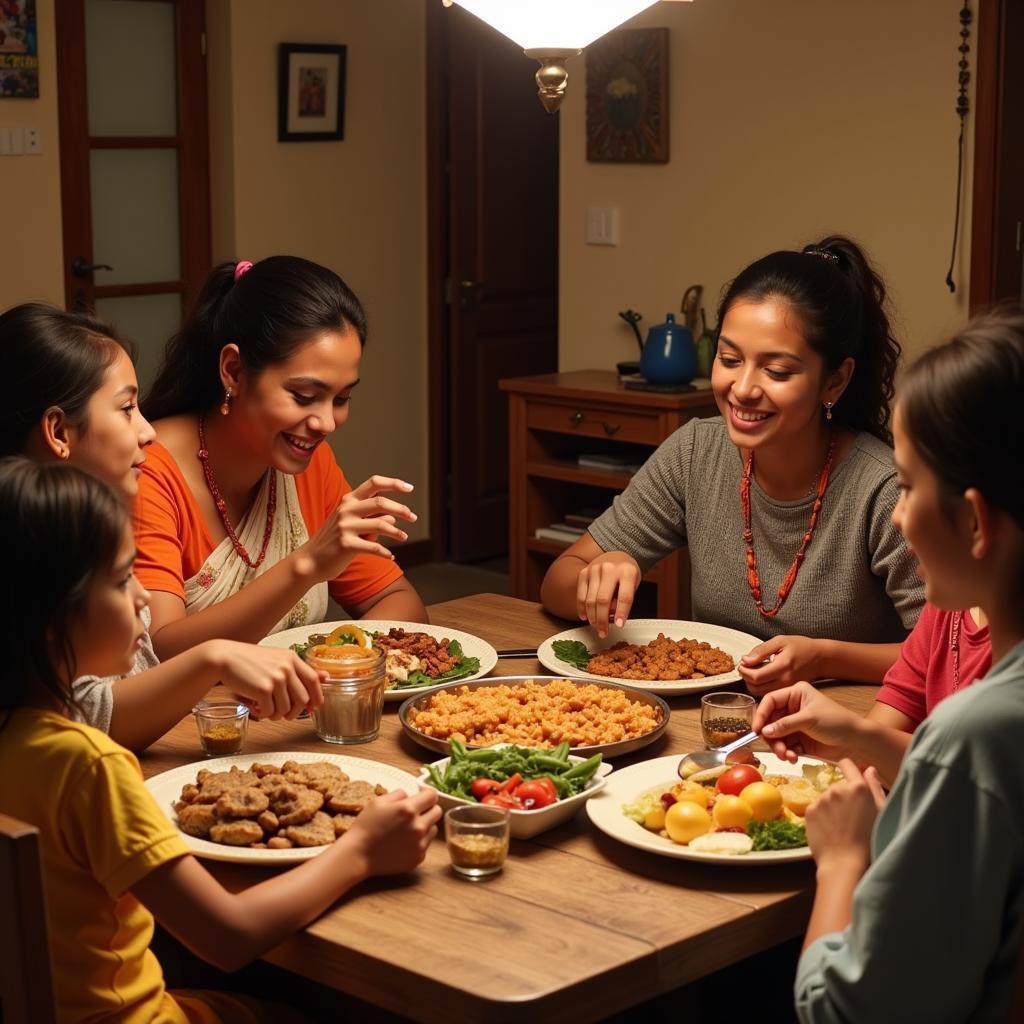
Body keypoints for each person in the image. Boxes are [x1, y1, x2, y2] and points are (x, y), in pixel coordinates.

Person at [0, 457, 441, 1023]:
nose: (143, 596)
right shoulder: (89, 767)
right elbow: (227, 937)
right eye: (119, 579)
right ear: (49, 622)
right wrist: (362, 852)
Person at [758, 309, 1024, 1021]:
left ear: (973, 521)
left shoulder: (977, 733)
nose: (898, 516)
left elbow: (848, 1011)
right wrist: (854, 732)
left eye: (907, 486)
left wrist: (844, 859)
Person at [540, 235, 923, 692]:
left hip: (844, 727)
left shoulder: (884, 489)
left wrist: (825, 657)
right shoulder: (696, 452)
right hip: (716, 718)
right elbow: (556, 583)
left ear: (835, 381)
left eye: (777, 371)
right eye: (729, 359)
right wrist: (601, 573)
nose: (743, 388)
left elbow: (956, 653)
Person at [0, 302, 324, 750]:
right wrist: (214, 658)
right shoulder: (31, 547)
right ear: (58, 432)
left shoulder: (85, 524)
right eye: (126, 408)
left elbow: (132, 681)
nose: (148, 431)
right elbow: (87, 718)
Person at [136, 256, 427, 662]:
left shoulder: (308, 461)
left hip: (287, 718)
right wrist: (306, 564)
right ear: (234, 371)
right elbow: (159, 652)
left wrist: (339, 668)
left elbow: (399, 603)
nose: (327, 422)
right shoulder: (146, 470)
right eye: (305, 396)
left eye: (342, 398)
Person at [754, 601, 991, 786]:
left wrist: (856, 736)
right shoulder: (946, 608)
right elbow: (892, 729)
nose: (906, 546)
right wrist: (845, 743)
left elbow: (978, 790)